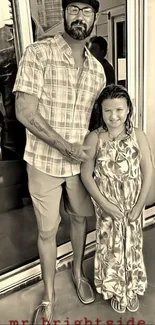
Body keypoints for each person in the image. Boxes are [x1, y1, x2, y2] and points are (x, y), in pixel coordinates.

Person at [13, 0, 106, 323]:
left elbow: (97, 122)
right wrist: (65, 147)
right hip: (43, 161)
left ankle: (78, 274)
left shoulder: (97, 70)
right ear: (64, 13)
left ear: (95, 17)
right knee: (47, 230)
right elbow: (24, 111)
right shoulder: (39, 53)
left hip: (80, 166)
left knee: (80, 220)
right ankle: (50, 295)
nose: (80, 17)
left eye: (87, 11)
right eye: (74, 9)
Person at [81, 84, 153, 313]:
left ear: (128, 109)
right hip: (107, 206)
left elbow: (148, 170)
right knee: (110, 247)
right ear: (100, 112)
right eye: (107, 111)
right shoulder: (94, 138)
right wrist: (105, 205)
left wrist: (140, 205)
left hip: (132, 204)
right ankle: (115, 290)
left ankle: (130, 289)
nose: (114, 116)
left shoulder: (138, 135)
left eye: (119, 110)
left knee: (132, 246)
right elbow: (86, 174)